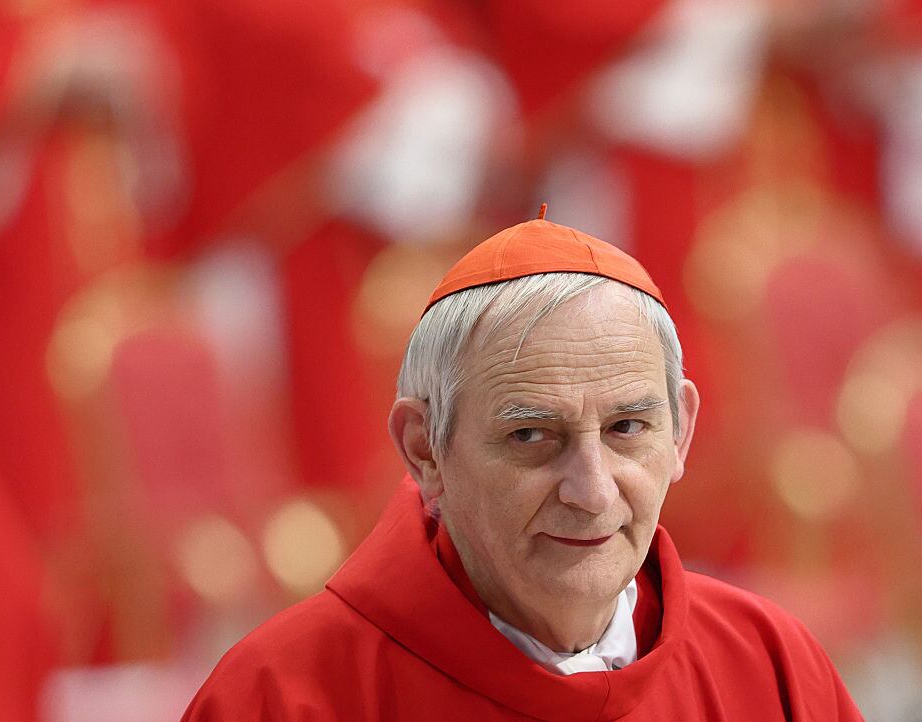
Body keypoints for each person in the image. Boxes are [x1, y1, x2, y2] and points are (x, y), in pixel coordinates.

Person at [182, 208, 863, 721]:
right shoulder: (282, 697)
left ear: (681, 432)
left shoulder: (769, 669)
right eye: (532, 437)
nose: (592, 492)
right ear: (425, 449)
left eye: (628, 428)